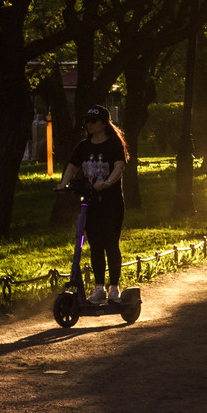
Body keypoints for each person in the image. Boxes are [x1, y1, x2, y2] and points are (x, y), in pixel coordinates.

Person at [62, 105, 129, 304]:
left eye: (93, 121)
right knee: (95, 245)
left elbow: (119, 166)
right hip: (90, 204)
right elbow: (72, 166)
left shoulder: (114, 144)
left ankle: (114, 288)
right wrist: (63, 183)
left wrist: (107, 182)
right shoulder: (83, 146)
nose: (88, 125)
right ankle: (99, 288)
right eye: (87, 121)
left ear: (103, 123)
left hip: (112, 203)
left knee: (110, 243)